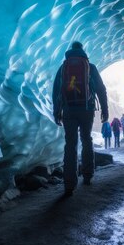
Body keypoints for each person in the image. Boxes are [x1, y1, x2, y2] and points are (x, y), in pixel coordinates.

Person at [53, 41, 108, 197]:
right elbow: (101, 89)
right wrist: (105, 109)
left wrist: (56, 110)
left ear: (71, 50)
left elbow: (56, 90)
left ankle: (69, 184)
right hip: (87, 109)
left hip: (69, 109)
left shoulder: (64, 67)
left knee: (70, 144)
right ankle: (88, 175)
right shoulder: (90, 67)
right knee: (86, 139)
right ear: (83, 50)